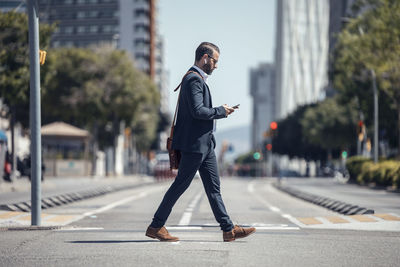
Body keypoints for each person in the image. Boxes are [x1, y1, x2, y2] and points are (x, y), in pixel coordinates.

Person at [145, 42, 255, 242]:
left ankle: (228, 229)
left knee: (213, 188)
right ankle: (156, 226)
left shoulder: (197, 80)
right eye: (215, 61)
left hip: (206, 145)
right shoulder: (193, 80)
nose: (216, 66)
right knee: (180, 185)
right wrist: (221, 111)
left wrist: (221, 112)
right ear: (205, 57)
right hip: (195, 146)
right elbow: (198, 111)